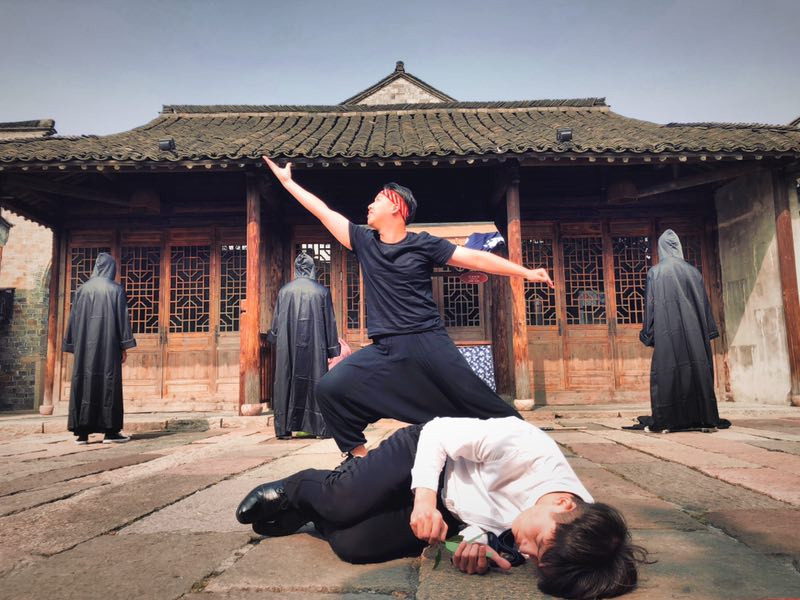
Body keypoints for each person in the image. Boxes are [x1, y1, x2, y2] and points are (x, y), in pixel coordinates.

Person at [262, 157, 554, 460]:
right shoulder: (364, 241)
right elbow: (323, 212)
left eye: (377, 200)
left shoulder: (424, 244)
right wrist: (287, 183)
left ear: (397, 206)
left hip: (428, 340)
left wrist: (525, 272)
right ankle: (359, 459)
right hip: (386, 347)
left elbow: (476, 259)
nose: (370, 205)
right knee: (330, 389)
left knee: (478, 399)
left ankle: (533, 449)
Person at [236, 416, 646, 599]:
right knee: (343, 500)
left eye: (536, 561)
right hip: (425, 455)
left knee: (354, 545)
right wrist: (423, 499)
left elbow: (482, 529)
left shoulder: (563, 542)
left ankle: (312, 514)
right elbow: (438, 434)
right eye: (537, 544)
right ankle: (300, 488)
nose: (526, 552)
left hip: (451, 509)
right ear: (562, 503)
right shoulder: (526, 448)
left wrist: (472, 548)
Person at [636, 229, 729, 433]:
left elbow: (650, 306)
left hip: (666, 333)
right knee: (697, 373)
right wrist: (708, 332)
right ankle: (702, 417)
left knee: (667, 375)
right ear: (678, 247)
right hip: (695, 335)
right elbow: (704, 305)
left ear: (661, 248)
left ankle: (668, 420)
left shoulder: (655, 273)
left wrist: (648, 334)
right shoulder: (694, 272)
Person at [63, 252, 136, 444]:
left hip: (84, 347)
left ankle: (82, 433)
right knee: (109, 383)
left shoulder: (82, 290)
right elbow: (122, 319)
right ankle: (110, 432)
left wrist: (72, 343)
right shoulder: (115, 289)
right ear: (111, 268)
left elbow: (73, 319)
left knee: (83, 382)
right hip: (109, 346)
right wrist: (124, 345)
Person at [268, 251, 340, 439]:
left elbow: (276, 322)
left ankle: (284, 430)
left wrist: (274, 337)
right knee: (315, 382)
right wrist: (332, 348)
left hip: (288, 348)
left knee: (286, 382)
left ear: (296, 269)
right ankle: (319, 428)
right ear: (312, 268)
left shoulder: (284, 291)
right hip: (315, 347)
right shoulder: (322, 292)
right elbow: (330, 322)